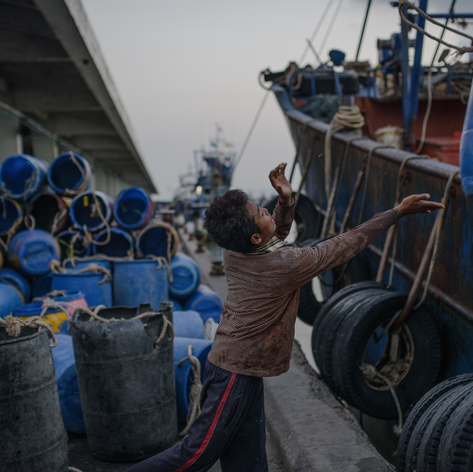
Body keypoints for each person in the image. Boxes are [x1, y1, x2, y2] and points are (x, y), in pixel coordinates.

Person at [125, 163, 444, 472]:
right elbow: (344, 246)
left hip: (240, 369)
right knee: (197, 454)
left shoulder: (233, 250)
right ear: (253, 237)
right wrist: (396, 212)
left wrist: (285, 201)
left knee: (248, 460)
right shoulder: (285, 265)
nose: (265, 210)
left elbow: (269, 236)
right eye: (259, 212)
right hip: (233, 373)